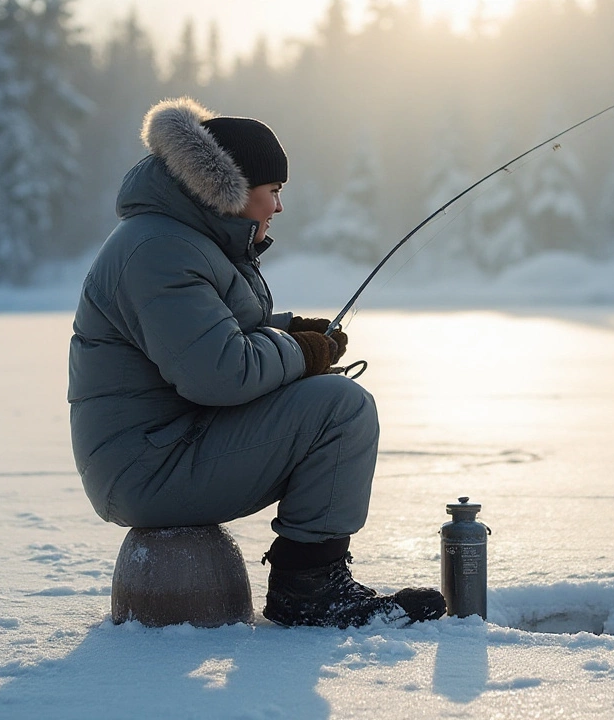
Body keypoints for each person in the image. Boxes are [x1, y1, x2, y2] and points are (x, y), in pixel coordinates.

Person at [67, 97, 445, 629]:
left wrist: (292, 332)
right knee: (339, 408)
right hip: (147, 468)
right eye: (273, 192)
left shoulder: (179, 240)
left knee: (329, 403)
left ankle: (311, 582)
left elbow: (216, 331)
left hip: (165, 447)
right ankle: (310, 591)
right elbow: (219, 371)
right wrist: (301, 353)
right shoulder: (159, 251)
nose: (278, 207)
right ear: (232, 191)